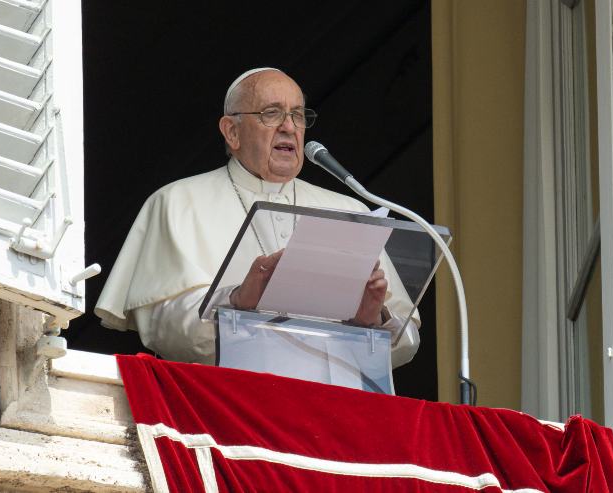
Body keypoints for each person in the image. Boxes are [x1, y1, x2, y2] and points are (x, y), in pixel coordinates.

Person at [95, 67, 419, 372]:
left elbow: (407, 340)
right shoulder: (178, 201)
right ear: (232, 131)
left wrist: (372, 320)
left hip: (333, 404)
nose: (289, 127)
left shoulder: (351, 212)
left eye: (297, 115)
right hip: (224, 403)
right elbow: (163, 327)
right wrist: (238, 302)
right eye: (271, 113)